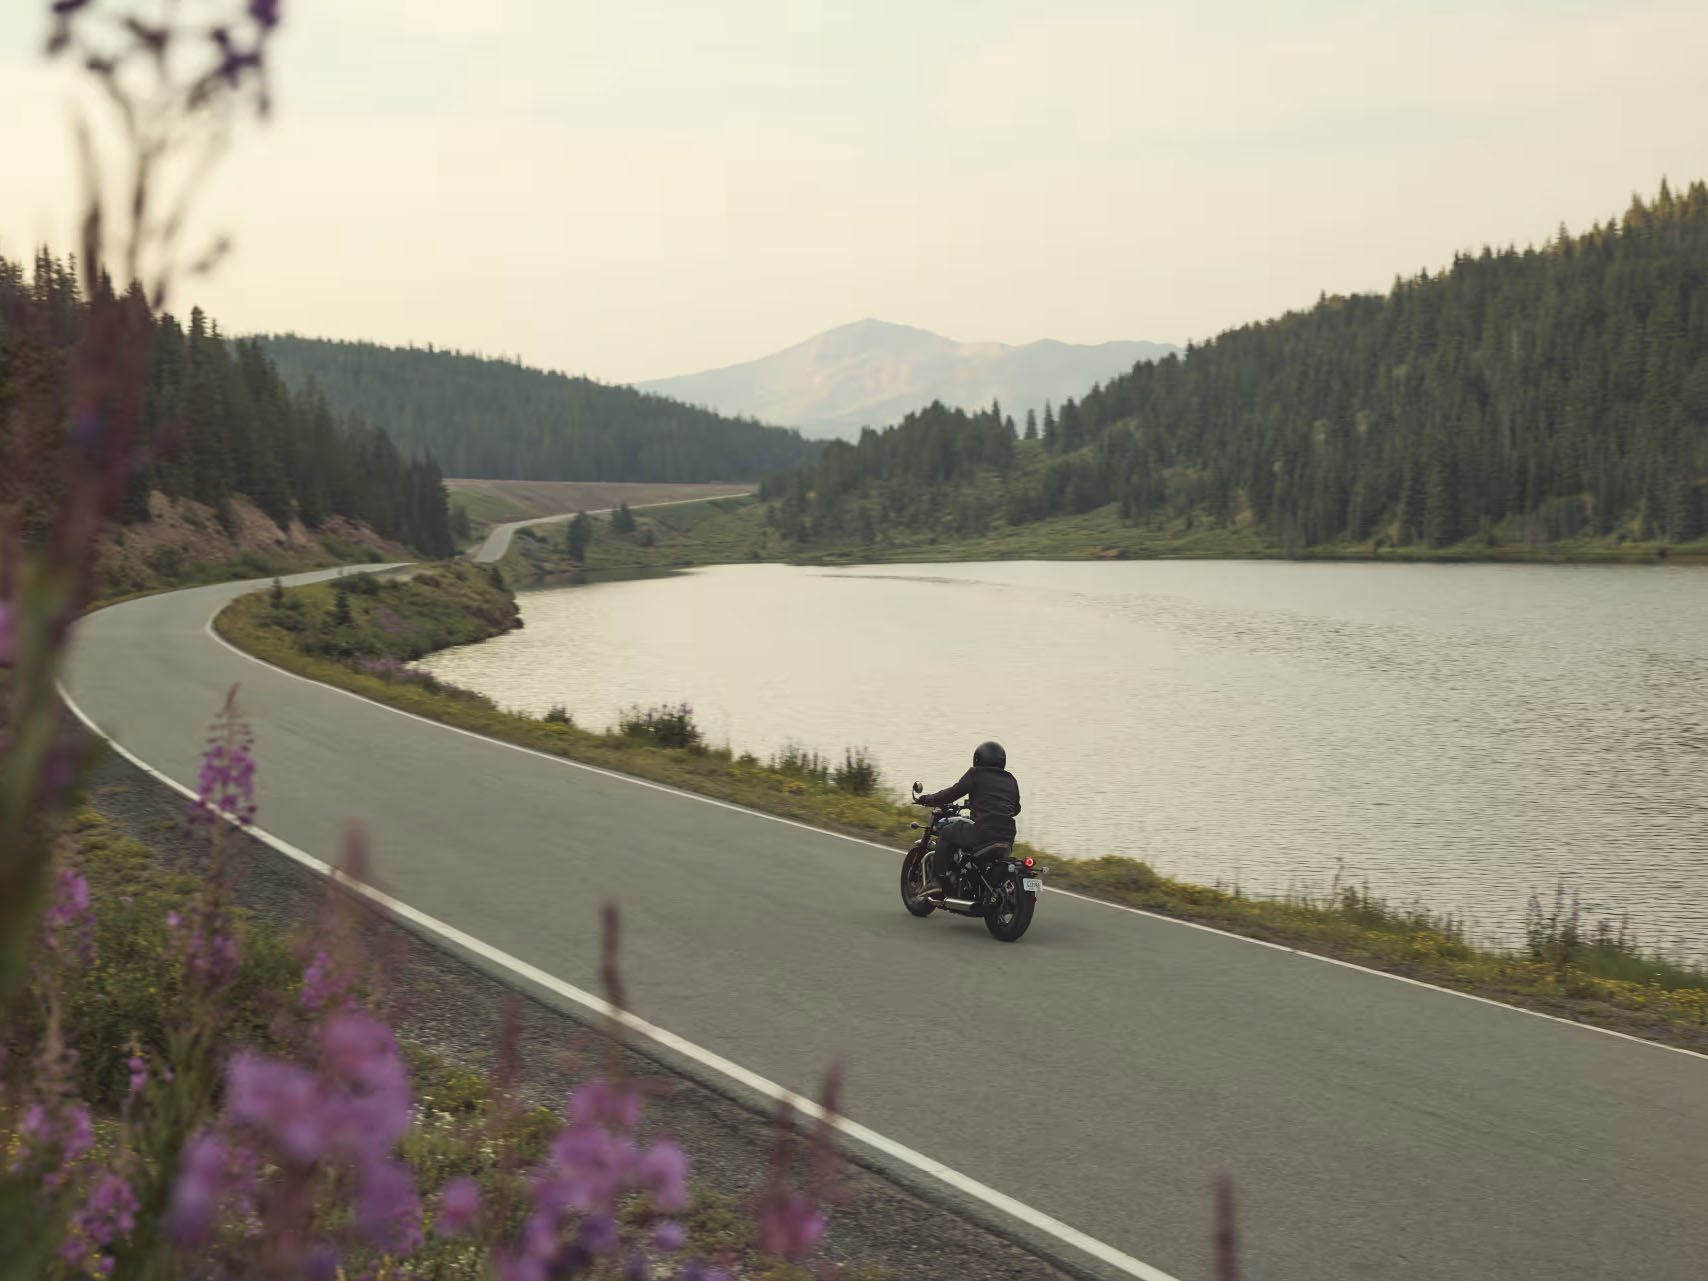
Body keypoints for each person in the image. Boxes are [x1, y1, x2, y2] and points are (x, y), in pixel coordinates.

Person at [915, 740, 1021, 897]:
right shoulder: (1011, 780)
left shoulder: (976, 774)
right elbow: (1016, 808)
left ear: (978, 759)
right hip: (1008, 836)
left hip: (983, 832)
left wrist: (928, 799)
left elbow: (953, 793)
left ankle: (937, 881)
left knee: (946, 832)